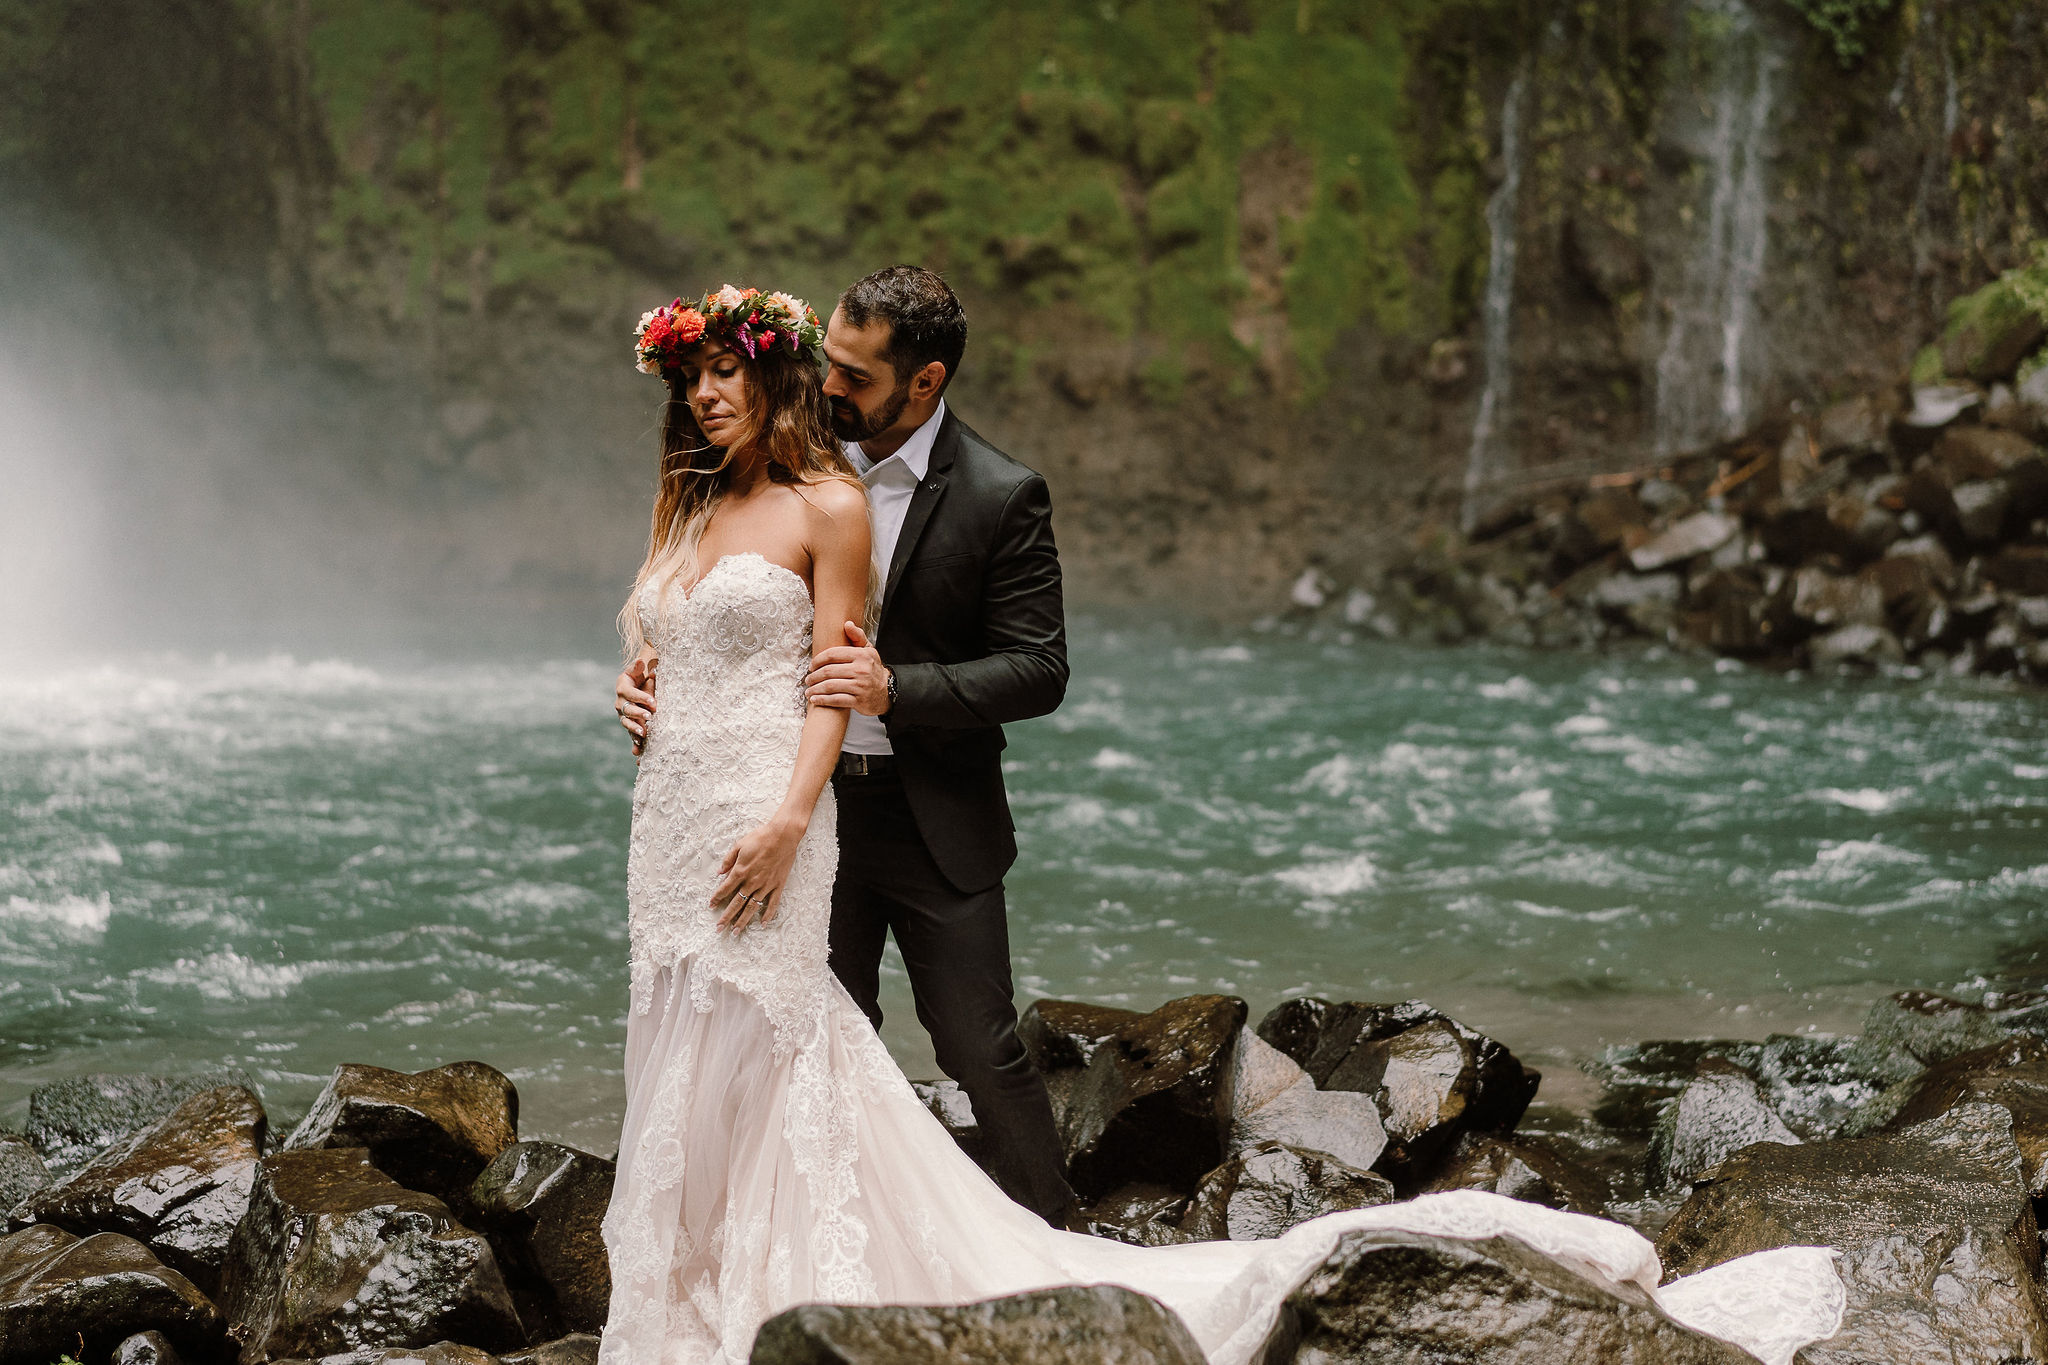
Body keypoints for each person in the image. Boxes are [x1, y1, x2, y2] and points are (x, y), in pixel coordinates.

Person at [598, 279, 1844, 1365]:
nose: (830, 386)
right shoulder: (760, 459)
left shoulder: (997, 492)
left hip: (910, 806)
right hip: (765, 802)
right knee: (806, 1041)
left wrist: (895, 691)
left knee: (978, 1043)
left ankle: (1053, 1254)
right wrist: (658, 675)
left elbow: (1037, 668)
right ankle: (757, 1255)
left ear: (924, 380)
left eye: (856, 375)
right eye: (825, 365)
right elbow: (707, 608)